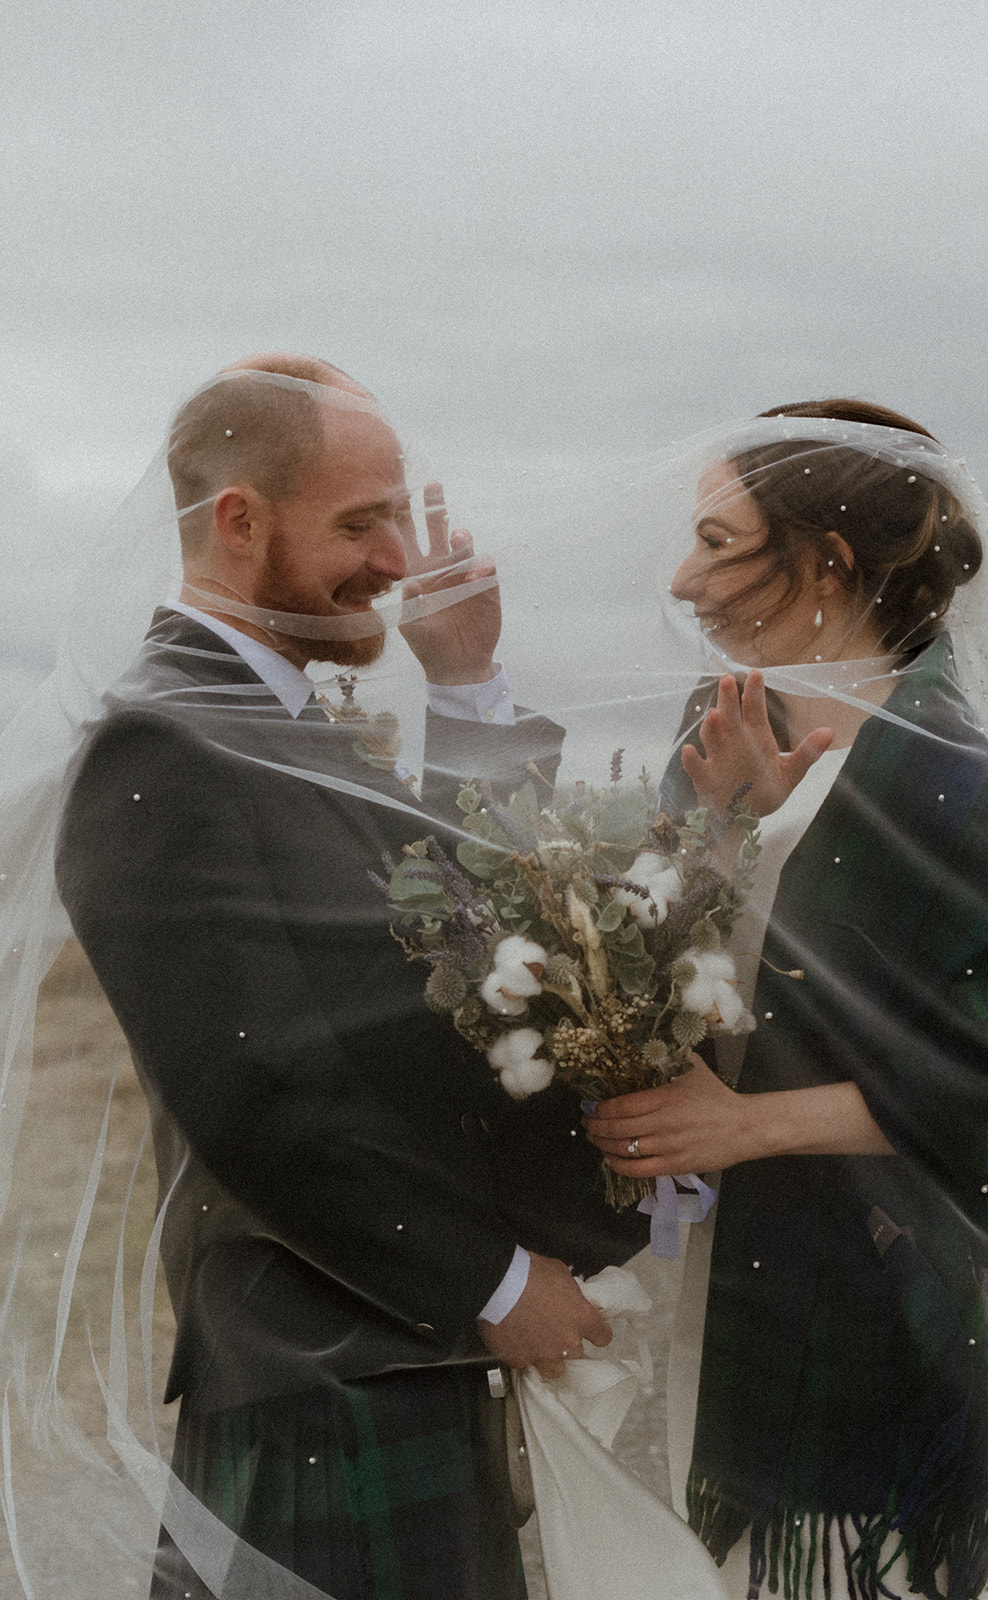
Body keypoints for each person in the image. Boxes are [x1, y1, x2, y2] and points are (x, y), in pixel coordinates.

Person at [43, 355, 646, 1600]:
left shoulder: (281, 720)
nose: (392, 558)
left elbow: (467, 930)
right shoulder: (159, 740)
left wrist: (465, 680)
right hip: (318, 1354)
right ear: (239, 521)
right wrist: (487, 1279)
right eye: (359, 522)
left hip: (384, 1350)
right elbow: (256, 1089)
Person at [581, 401, 988, 1600]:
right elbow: (648, 953)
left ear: (825, 562)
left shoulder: (940, 773)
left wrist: (750, 1124)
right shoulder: (725, 722)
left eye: (713, 540)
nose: (682, 579)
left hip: (879, 1293)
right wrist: (719, 831)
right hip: (717, 1267)